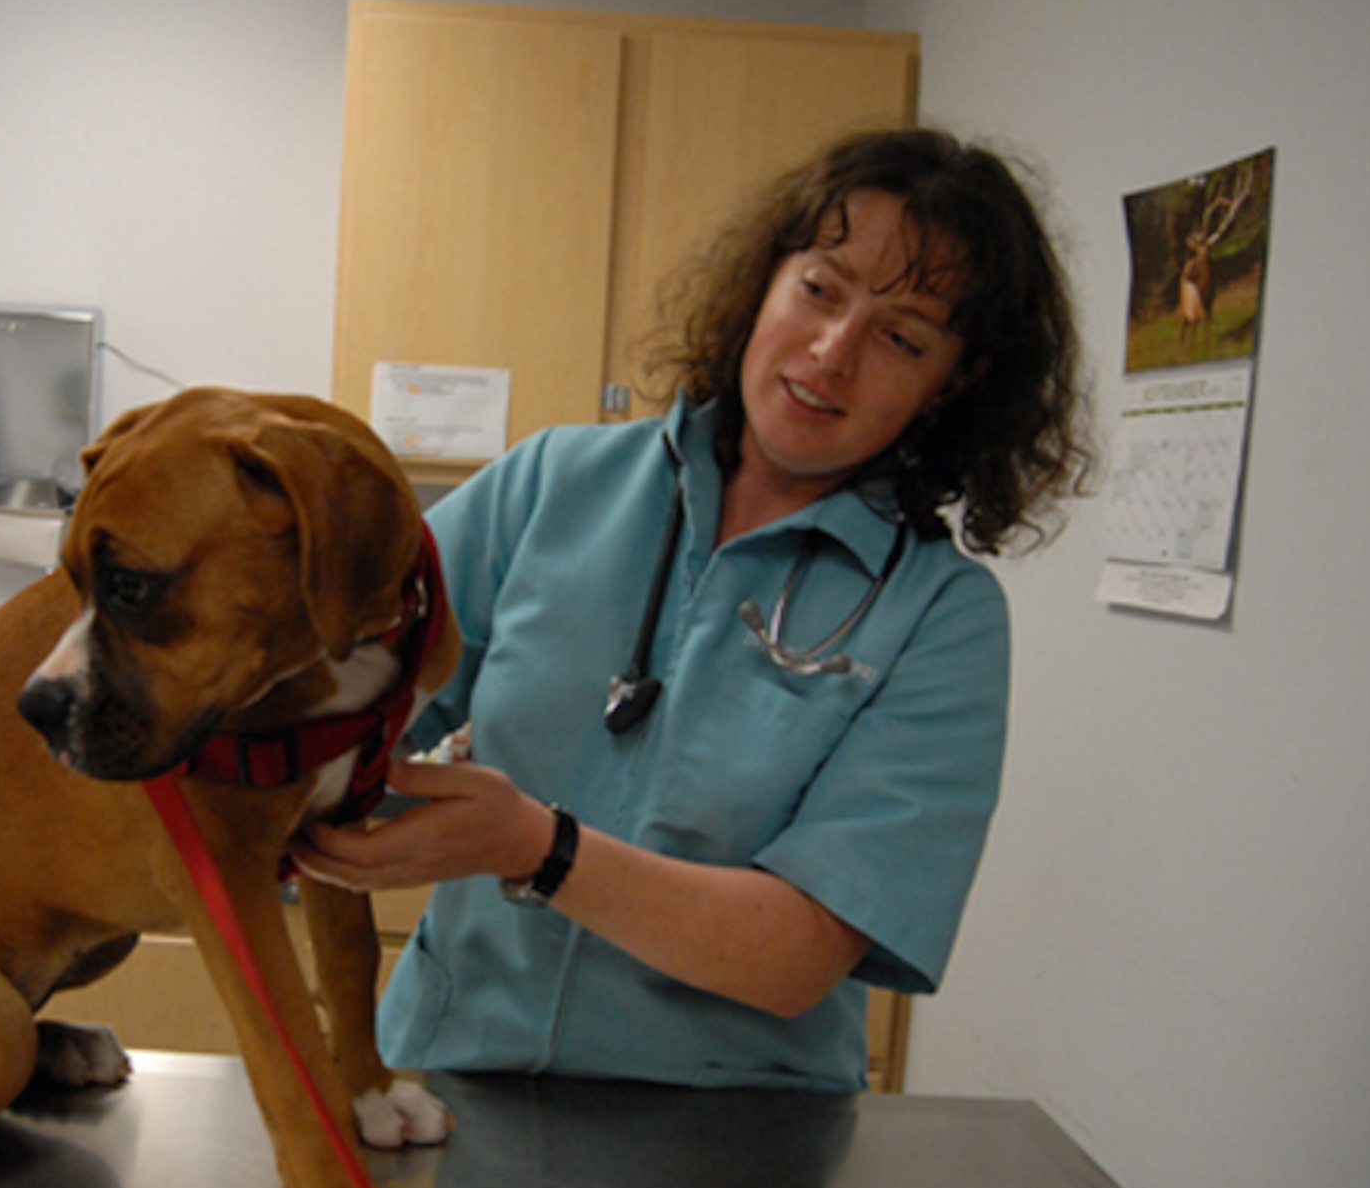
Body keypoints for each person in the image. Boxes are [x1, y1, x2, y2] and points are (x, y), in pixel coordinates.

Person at [293, 127, 1096, 1091]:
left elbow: (800, 953)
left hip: (729, 1141)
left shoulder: (941, 618)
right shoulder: (554, 483)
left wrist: (533, 847)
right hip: (454, 1075)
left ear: (953, 381)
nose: (832, 353)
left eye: (901, 337)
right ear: (769, 277)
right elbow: (341, 698)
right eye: (820, 289)